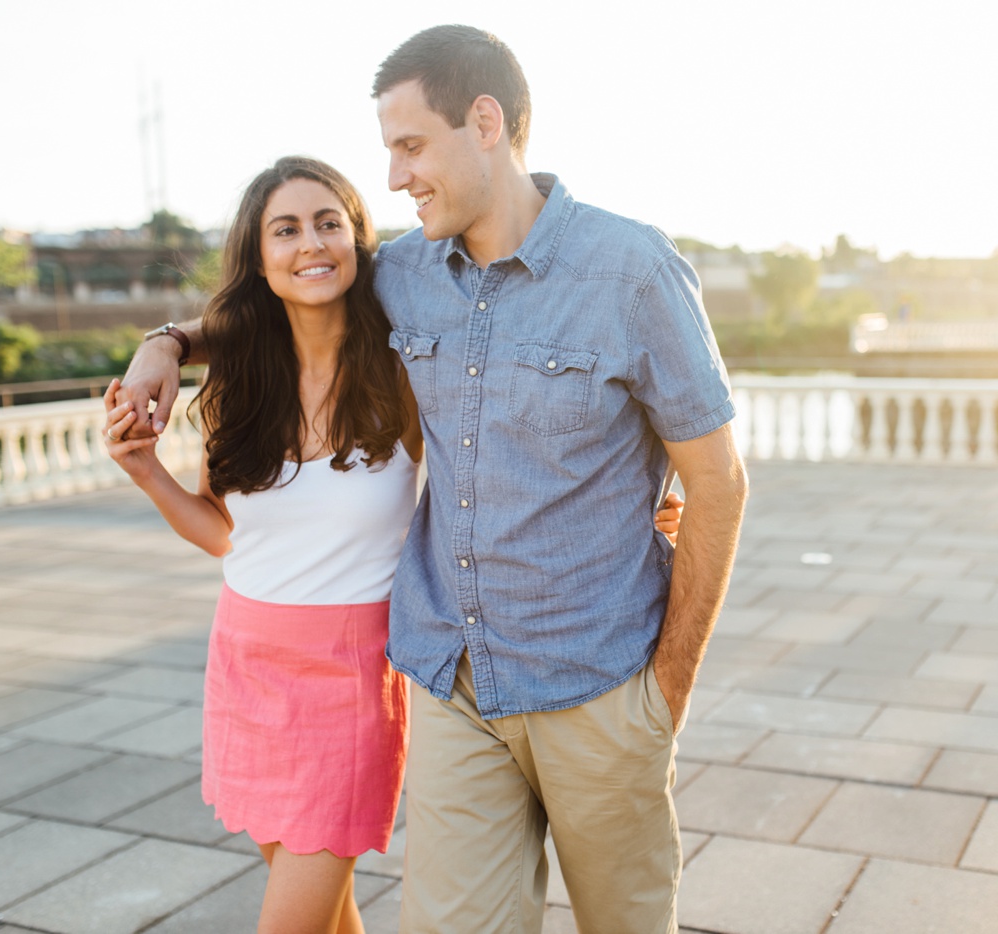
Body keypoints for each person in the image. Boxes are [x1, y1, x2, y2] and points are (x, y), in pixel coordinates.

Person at [117, 25, 745, 934]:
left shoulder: (632, 270)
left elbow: (720, 484)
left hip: (599, 687)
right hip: (452, 686)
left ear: (483, 122)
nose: (395, 177)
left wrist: (668, 690)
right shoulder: (404, 274)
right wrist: (166, 346)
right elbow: (285, 289)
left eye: (410, 146)